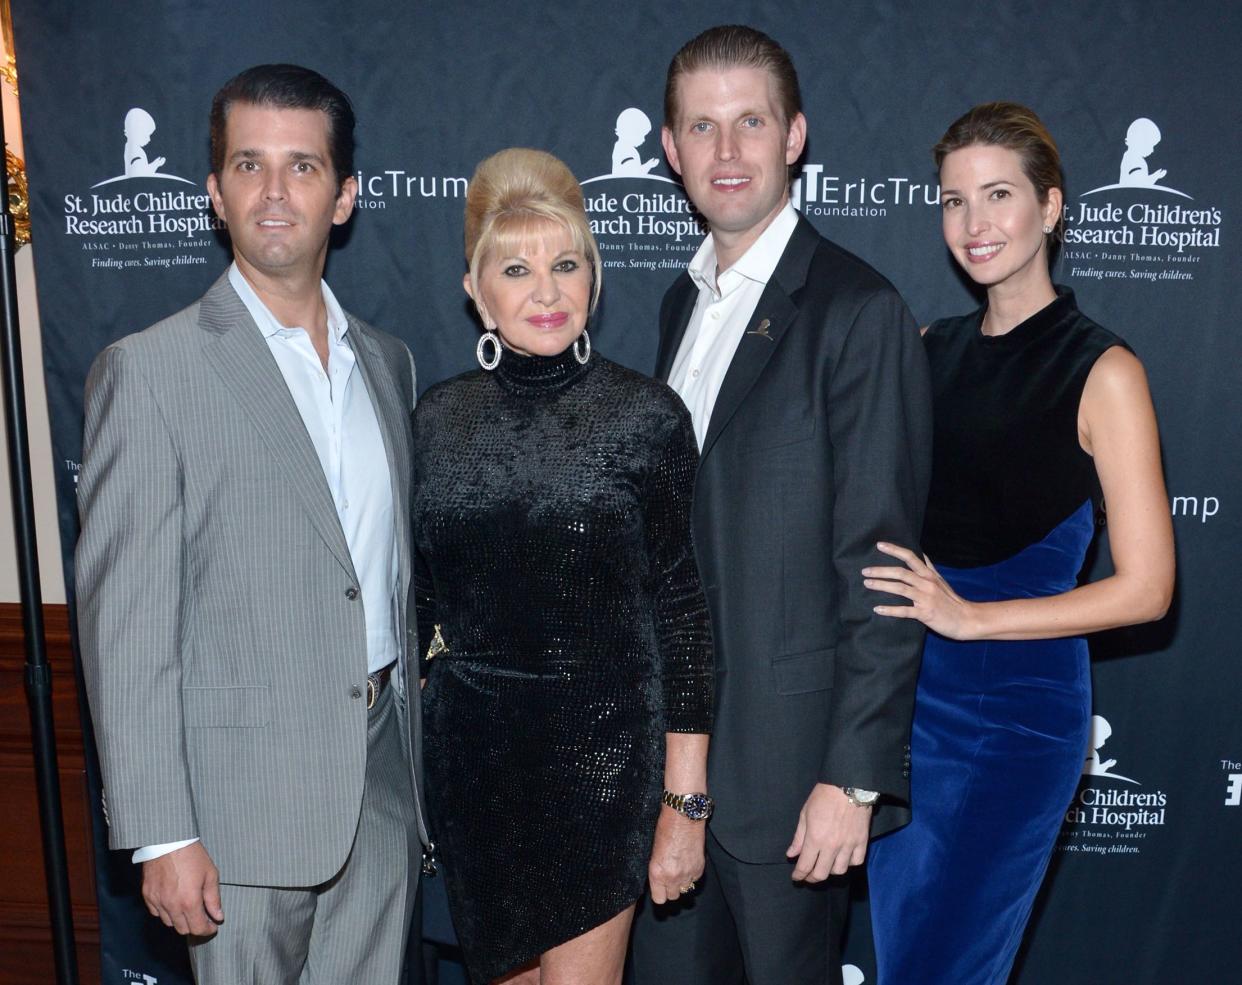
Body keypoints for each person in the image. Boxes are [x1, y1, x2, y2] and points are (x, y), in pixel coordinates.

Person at [75, 64, 427, 983]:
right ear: (214, 193)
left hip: (382, 786)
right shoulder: (150, 371)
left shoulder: (389, 364)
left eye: (303, 167)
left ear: (344, 197)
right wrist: (162, 830)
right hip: (233, 814)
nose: (274, 193)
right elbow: (127, 624)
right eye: (248, 165)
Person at [628, 25, 932, 985]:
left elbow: (883, 569)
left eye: (749, 123)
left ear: (794, 136)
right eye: (702, 128)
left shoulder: (857, 310)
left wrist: (852, 777)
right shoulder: (680, 307)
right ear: (669, 151)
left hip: (795, 783)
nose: (727, 153)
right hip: (677, 781)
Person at [864, 101, 1175, 985]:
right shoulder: (929, 349)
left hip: (1015, 715)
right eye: (955, 201)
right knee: (902, 961)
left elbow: (1148, 588)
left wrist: (970, 618)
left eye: (998, 195)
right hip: (907, 708)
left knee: (943, 968)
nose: (975, 223)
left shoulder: (1103, 370)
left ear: (1051, 206)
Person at [412, 147, 714, 985]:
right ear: (476, 289)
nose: (546, 291)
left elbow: (682, 614)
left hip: (602, 766)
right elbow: (417, 600)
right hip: (475, 773)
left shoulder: (646, 416)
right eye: (516, 267)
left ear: (595, 278)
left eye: (566, 264)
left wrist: (683, 806)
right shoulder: (434, 420)